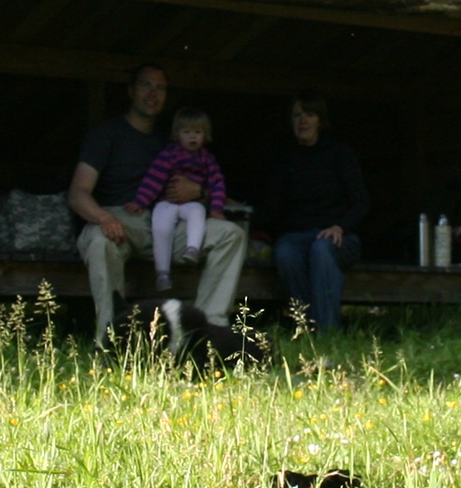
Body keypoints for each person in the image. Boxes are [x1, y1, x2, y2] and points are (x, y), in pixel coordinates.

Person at [69, 65, 247, 342]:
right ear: (131, 91)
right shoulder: (107, 133)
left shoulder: (174, 138)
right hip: (121, 221)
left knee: (230, 234)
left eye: (160, 88)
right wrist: (104, 218)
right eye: (146, 85)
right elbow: (77, 193)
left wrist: (199, 192)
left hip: (169, 223)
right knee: (98, 241)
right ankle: (111, 338)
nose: (153, 93)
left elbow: (210, 187)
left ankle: (208, 332)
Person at [259, 93, 368, 332]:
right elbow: (271, 207)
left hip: (339, 236)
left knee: (321, 249)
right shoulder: (285, 159)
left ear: (320, 120)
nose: (303, 121)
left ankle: (326, 332)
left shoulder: (339, 154)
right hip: (296, 236)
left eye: (309, 115)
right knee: (285, 253)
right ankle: (305, 327)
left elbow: (360, 203)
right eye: (297, 115)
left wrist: (340, 227)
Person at [124, 107, 227, 291]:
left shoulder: (207, 160)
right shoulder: (168, 155)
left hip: (192, 203)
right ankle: (162, 273)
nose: (192, 137)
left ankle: (192, 249)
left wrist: (216, 209)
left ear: (205, 135)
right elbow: (154, 180)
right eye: (187, 132)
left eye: (198, 132)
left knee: (198, 213)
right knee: (161, 227)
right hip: (168, 202)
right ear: (177, 134)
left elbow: (217, 184)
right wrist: (140, 201)